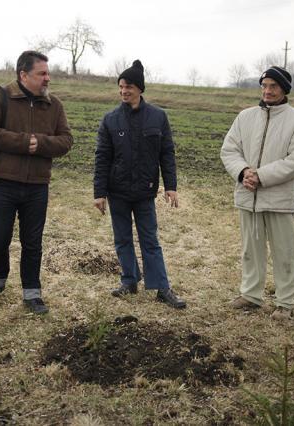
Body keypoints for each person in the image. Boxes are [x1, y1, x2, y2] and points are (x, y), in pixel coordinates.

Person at [0, 50, 72, 315]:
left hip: (37, 186)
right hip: (3, 184)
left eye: (48, 73)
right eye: (42, 73)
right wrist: (23, 142)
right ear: (23, 74)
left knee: (33, 242)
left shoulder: (54, 105)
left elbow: (66, 140)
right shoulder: (0, 97)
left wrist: (39, 143)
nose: (47, 79)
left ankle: (32, 291)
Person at [93, 59, 186, 309]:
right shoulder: (110, 119)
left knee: (150, 240)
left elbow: (167, 153)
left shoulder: (158, 117)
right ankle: (129, 281)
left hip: (145, 192)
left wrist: (171, 186)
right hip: (118, 192)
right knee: (122, 239)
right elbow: (102, 157)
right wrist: (99, 193)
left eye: (129, 87)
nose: (124, 91)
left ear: (140, 89)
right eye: (121, 86)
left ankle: (161, 287)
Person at [221, 66, 294, 320]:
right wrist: (243, 172)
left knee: (284, 252)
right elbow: (229, 150)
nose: (268, 91)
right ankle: (250, 294)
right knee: (250, 249)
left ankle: (285, 302)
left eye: (273, 86)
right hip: (248, 195)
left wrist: (261, 175)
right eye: (264, 85)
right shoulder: (245, 117)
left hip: (279, 198)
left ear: (284, 89)